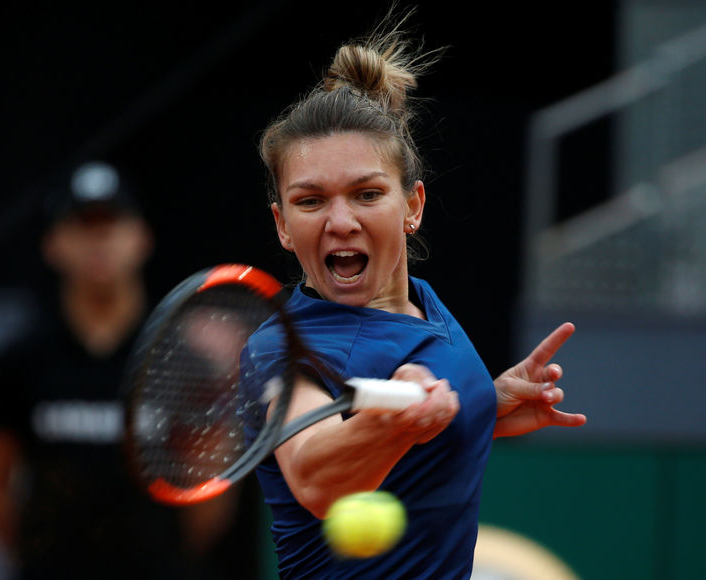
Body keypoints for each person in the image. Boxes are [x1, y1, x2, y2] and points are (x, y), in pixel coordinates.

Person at [240, 8, 587, 579]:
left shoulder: (422, 302)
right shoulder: (282, 345)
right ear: (282, 224)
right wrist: (390, 423)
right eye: (310, 201)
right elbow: (312, 473)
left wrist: (483, 404)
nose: (341, 220)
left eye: (367, 193)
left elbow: (414, 448)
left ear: (412, 207)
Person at [0, 161, 259, 579]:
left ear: (141, 238)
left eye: (113, 223)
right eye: (83, 225)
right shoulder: (17, 362)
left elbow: (208, 495)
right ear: (52, 244)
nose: (99, 239)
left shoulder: (184, 360)